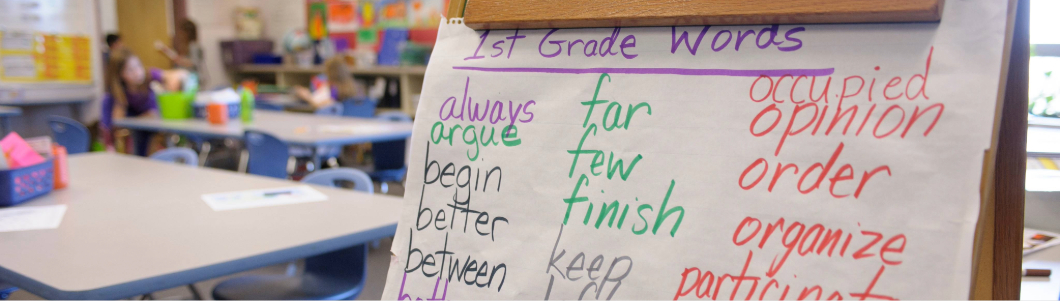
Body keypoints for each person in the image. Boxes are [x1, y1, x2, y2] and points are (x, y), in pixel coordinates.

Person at [100, 49, 161, 153]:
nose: (137, 72)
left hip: (150, 134)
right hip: (123, 142)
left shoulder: (150, 79)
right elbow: (116, 123)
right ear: (119, 75)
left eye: (138, 66)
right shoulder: (113, 97)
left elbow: (153, 113)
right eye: (130, 70)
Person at [293, 57, 364, 109]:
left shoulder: (335, 89)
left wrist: (307, 96)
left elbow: (325, 105)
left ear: (330, 73)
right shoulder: (352, 86)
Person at [157, 19, 207, 86]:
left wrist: (177, 59)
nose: (180, 34)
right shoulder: (184, 45)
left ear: (187, 33)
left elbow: (194, 62)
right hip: (187, 78)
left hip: (193, 79)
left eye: (181, 31)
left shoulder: (193, 46)